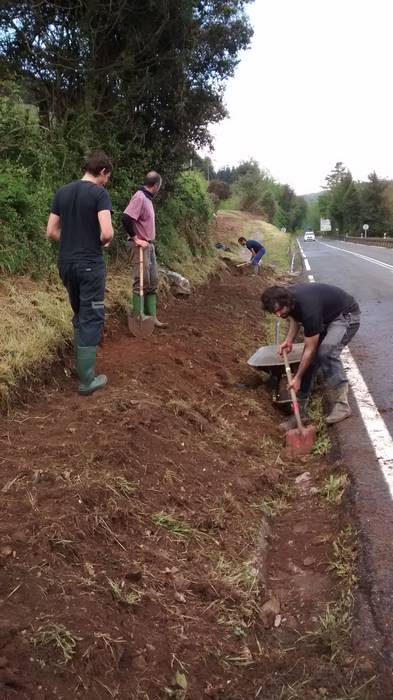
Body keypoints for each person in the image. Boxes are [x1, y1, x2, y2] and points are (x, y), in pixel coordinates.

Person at [47, 151, 114, 395]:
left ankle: (81, 367)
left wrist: (73, 237)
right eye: (108, 177)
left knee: (79, 311)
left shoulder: (62, 192)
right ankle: (86, 380)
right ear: (103, 172)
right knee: (91, 315)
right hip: (89, 265)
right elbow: (106, 233)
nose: (107, 181)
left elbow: (51, 232)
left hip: (66, 264)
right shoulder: (99, 193)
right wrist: (101, 240)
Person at [261, 283, 361, 428]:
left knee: (325, 352)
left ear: (286, 302)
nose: (279, 314)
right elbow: (294, 317)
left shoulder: (309, 309)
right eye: (274, 312)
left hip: (345, 315)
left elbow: (310, 348)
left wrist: (298, 378)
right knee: (308, 361)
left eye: (280, 310)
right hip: (326, 317)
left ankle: (342, 405)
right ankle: (300, 413)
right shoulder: (288, 300)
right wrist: (289, 340)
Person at [122, 171, 167, 328]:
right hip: (139, 246)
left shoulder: (147, 199)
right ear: (156, 186)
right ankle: (138, 316)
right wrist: (136, 239)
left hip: (149, 245)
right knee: (140, 281)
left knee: (152, 280)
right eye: (159, 186)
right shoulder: (140, 197)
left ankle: (151, 317)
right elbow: (126, 218)